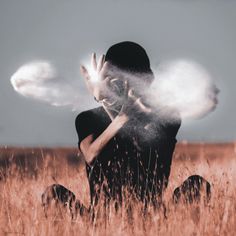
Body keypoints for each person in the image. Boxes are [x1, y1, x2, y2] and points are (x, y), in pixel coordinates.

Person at [76, 41, 181, 210]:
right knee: (53, 194)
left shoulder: (168, 117)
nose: (117, 85)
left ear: (145, 80)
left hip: (151, 215)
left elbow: (141, 147)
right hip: (102, 218)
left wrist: (122, 114)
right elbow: (90, 154)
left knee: (197, 185)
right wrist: (107, 103)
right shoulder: (87, 119)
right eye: (108, 77)